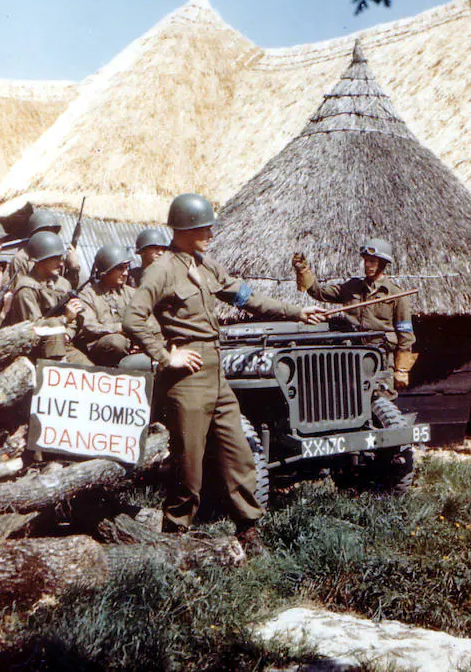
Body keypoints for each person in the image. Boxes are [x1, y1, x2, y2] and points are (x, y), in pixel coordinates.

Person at [123, 192, 324, 552]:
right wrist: (167, 355)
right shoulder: (161, 269)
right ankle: (174, 538)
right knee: (189, 465)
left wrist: (297, 312)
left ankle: (248, 528)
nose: (210, 235)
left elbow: (245, 297)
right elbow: (133, 316)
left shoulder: (205, 265)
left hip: (217, 374)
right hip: (188, 379)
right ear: (185, 229)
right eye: (204, 229)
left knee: (238, 452)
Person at [292, 238, 416, 395]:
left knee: (381, 400)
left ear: (383, 264)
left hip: (380, 358)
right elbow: (319, 293)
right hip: (350, 356)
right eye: (366, 261)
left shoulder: (396, 295)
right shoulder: (351, 287)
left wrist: (402, 370)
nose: (367, 265)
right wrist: (303, 270)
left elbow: (406, 336)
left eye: (372, 261)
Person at [5, 230, 91, 364]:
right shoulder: (26, 289)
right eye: (55, 258)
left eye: (61, 258)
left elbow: (76, 317)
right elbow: (33, 329)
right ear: (39, 260)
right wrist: (64, 319)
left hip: (63, 342)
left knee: (89, 373)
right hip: (35, 350)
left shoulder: (63, 284)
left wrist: (68, 333)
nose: (61, 263)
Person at [78, 245, 140, 366]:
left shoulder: (133, 294)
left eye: (126, 268)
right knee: (116, 341)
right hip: (100, 349)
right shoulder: (88, 295)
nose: (125, 273)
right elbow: (89, 327)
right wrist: (118, 328)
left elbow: (148, 322)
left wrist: (140, 342)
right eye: (120, 269)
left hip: (132, 345)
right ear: (105, 270)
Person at [10, 208, 81, 289]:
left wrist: (73, 267)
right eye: (45, 230)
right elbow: (19, 290)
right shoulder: (21, 258)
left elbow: (69, 289)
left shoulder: (59, 256)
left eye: (52, 231)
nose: (49, 234)